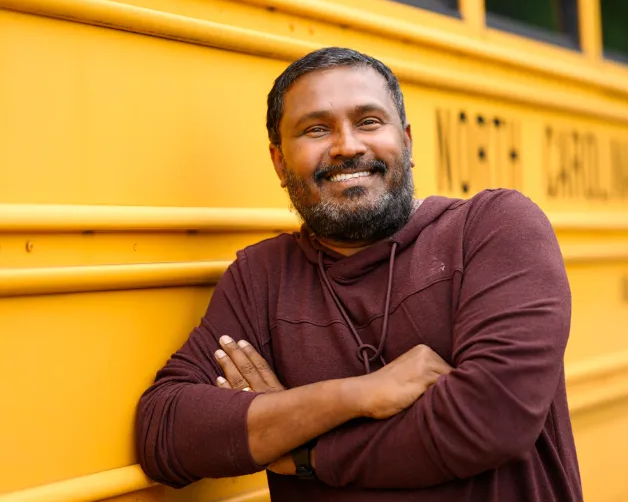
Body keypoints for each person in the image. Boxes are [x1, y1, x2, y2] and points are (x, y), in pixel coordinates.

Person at [136, 47, 583, 501]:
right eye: (316, 129)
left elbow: (493, 419)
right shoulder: (262, 278)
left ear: (406, 142)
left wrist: (302, 453)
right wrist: (356, 395)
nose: (347, 146)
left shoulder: (493, 228)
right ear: (278, 161)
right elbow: (165, 430)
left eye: (369, 121)